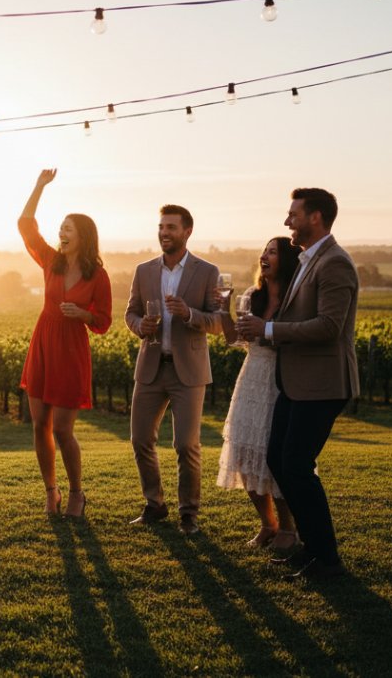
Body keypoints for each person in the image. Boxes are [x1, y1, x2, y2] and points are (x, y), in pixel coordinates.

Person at [237, 188, 359, 580]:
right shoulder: (308, 260)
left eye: (294, 214)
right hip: (295, 382)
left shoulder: (335, 263)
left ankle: (326, 559)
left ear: (315, 217)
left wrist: (268, 329)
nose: (287, 221)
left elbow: (329, 327)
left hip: (322, 383)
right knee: (279, 460)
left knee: (296, 465)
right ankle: (311, 549)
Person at [125, 205, 225, 535]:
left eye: (171, 227)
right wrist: (140, 326)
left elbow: (218, 323)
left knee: (185, 445)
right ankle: (154, 504)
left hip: (189, 372)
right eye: (161, 227)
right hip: (151, 368)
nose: (164, 232)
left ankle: (188, 514)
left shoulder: (207, 271)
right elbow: (130, 313)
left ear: (187, 231)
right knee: (140, 439)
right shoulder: (143, 271)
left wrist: (188, 314)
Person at [18, 169, 112, 518]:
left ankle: (76, 492)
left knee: (62, 429)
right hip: (43, 343)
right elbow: (26, 225)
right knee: (39, 424)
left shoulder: (98, 276)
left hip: (71, 350)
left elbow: (104, 321)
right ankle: (50, 491)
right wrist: (38, 186)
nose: (61, 233)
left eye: (68, 229)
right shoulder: (50, 261)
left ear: (83, 237)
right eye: (60, 228)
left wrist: (83, 315)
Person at [218, 237, 302, 549]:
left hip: (281, 381)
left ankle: (289, 529)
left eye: (272, 252)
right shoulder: (252, 296)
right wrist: (223, 309)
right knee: (243, 452)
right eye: (264, 251)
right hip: (250, 378)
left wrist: (264, 332)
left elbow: (295, 340)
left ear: (287, 260)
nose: (264, 256)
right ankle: (268, 524)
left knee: (276, 457)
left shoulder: (296, 300)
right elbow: (233, 339)